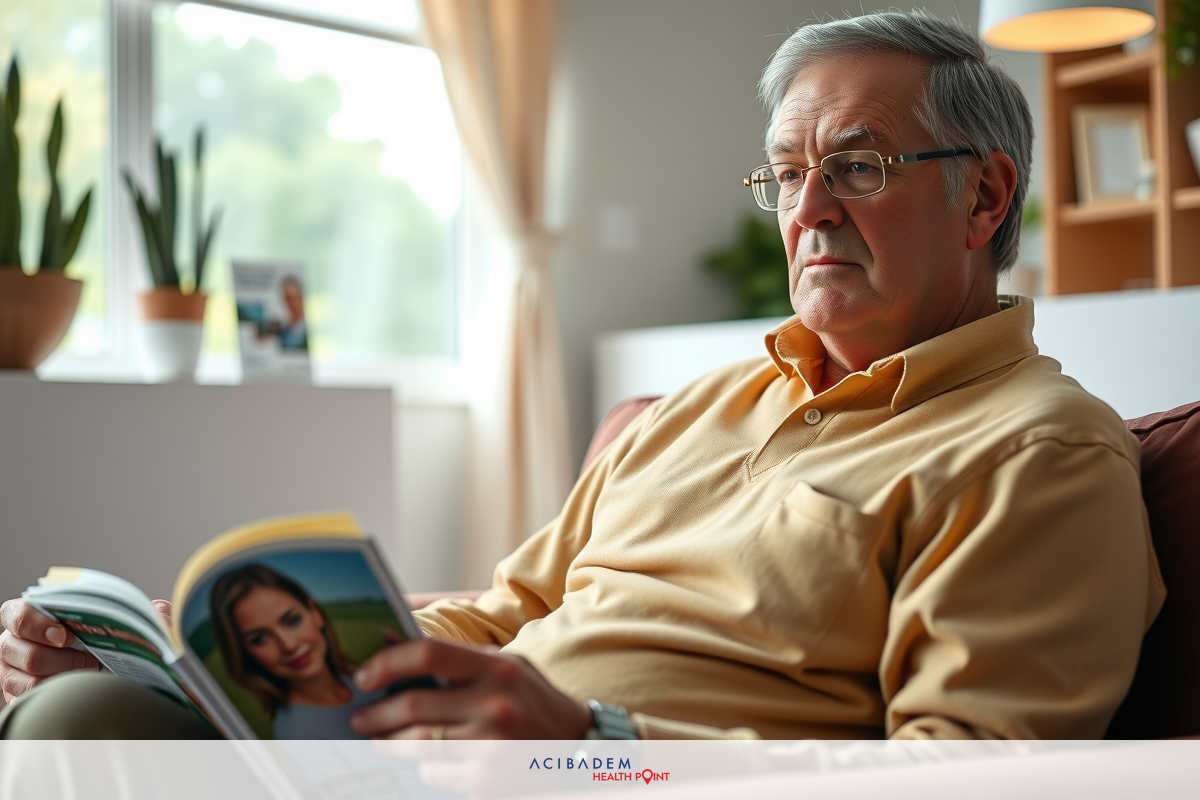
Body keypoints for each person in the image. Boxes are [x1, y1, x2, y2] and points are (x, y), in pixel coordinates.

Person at [0, 11, 1164, 741]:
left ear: (985, 195)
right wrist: (178, 636)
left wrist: (597, 734)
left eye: (857, 166)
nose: (807, 210)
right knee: (83, 699)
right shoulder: (704, 406)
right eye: (788, 175)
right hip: (441, 760)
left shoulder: (1038, 450)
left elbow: (973, 776)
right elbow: (509, 612)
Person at [208, 563, 385, 739]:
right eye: (259, 639)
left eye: (292, 621)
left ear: (314, 613)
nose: (288, 645)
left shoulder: (359, 676)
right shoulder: (297, 735)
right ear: (246, 654)